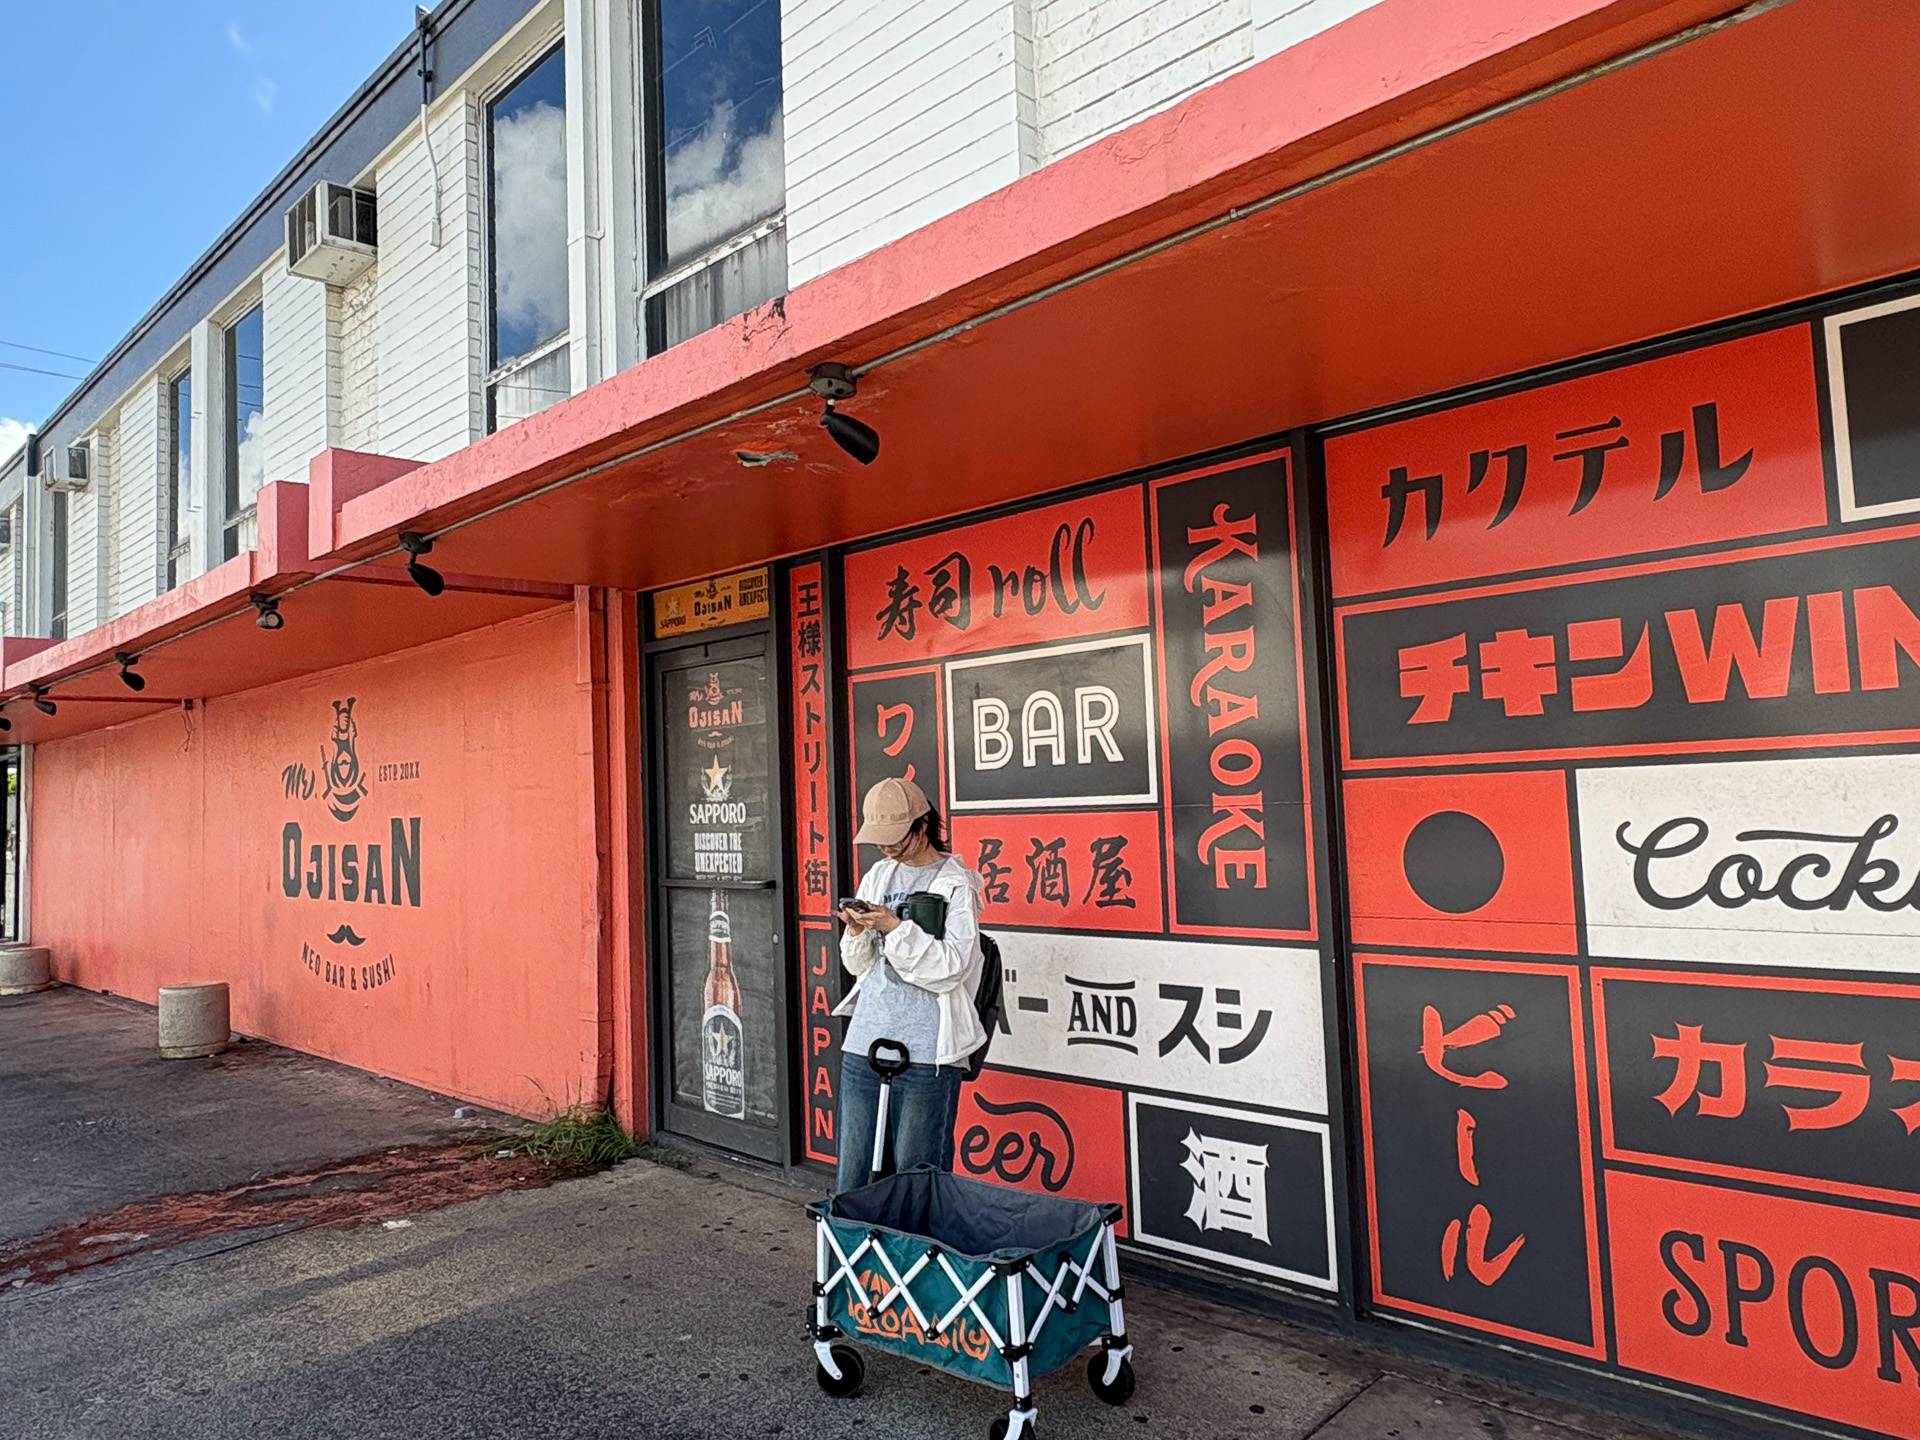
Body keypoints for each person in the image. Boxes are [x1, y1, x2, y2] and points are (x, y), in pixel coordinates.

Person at [833, 775, 986, 1193]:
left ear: (923, 825)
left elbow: (952, 967)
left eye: (896, 838)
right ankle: (854, 1258)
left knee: (918, 1176)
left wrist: (895, 927)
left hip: (929, 1050)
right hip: (864, 1038)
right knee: (853, 1171)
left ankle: (918, 1258)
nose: (886, 849)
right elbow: (859, 966)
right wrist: (856, 932)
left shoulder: (957, 883)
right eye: (880, 839)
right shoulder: (879, 875)